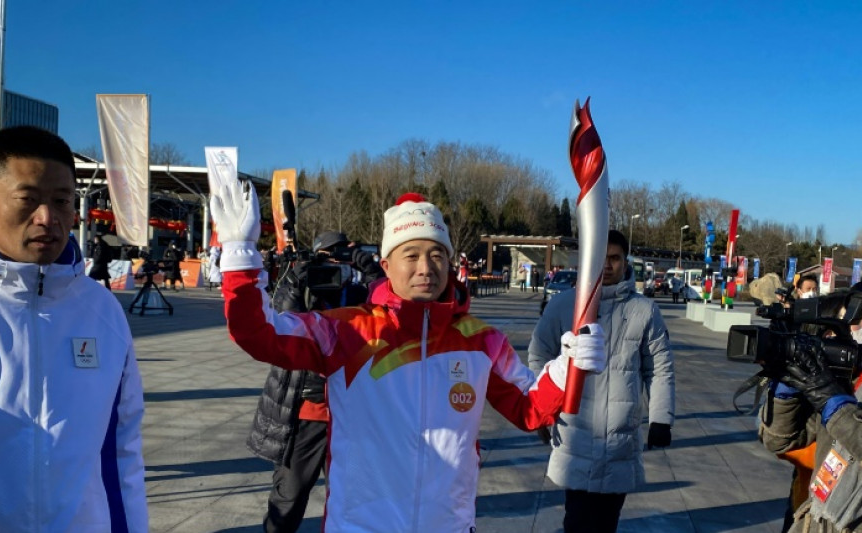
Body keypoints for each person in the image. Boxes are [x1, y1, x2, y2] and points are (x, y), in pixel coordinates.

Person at [211, 180, 606, 532]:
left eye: (437, 255)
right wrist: (240, 255)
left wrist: (568, 366)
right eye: (411, 255)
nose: (425, 268)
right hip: (361, 524)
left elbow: (529, 408)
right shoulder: (345, 331)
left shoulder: (482, 341)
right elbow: (257, 334)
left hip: (448, 524)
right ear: (386, 265)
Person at [0, 126, 147, 531]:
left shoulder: (102, 311)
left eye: (62, 201)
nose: (47, 218)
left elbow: (120, 451)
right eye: (27, 199)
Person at [528, 229, 675, 533]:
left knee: (607, 522)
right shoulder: (563, 306)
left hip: (619, 441)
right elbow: (539, 355)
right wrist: (541, 410)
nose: (607, 265)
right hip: (574, 435)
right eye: (600, 258)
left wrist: (661, 419)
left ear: (625, 262)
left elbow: (659, 369)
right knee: (576, 521)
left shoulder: (644, 311)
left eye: (615, 258)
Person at [247, 230, 384, 533]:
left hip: (349, 416)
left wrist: (372, 271)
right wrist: (296, 279)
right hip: (305, 411)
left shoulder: (359, 294)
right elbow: (279, 320)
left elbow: (387, 312)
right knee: (288, 498)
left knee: (352, 502)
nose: (333, 264)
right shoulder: (302, 288)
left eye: (340, 256)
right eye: (327, 257)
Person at [760, 281, 862, 533]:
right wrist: (787, 392)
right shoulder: (847, 380)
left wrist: (836, 405)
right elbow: (779, 441)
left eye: (859, 320)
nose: (856, 329)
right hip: (818, 518)